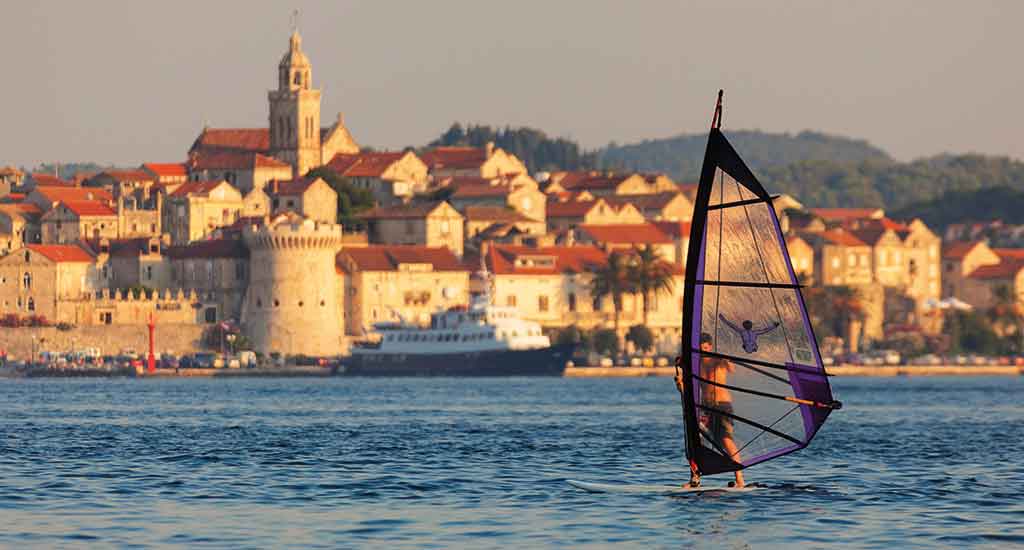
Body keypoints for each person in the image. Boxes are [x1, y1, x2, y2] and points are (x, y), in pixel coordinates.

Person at [675, 332, 745, 488]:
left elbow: (732, 369)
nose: (703, 351)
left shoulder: (717, 360)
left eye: (705, 348)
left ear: (710, 347)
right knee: (695, 441)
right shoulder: (696, 364)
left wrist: (725, 358)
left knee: (726, 440)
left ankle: (740, 479)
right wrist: (680, 382)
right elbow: (686, 384)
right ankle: (695, 478)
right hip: (705, 408)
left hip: (722, 405)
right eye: (700, 349)